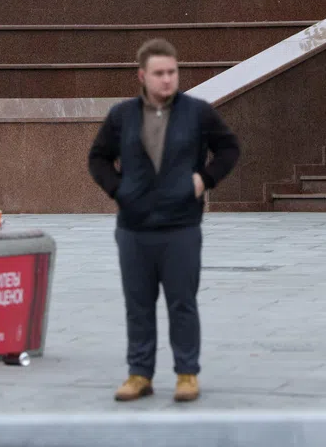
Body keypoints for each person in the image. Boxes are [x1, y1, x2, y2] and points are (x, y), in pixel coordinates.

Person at [88, 38, 241, 404]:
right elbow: (97, 158)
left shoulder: (197, 112)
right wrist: (119, 191)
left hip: (181, 228)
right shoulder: (122, 116)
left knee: (182, 302)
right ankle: (139, 373)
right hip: (134, 229)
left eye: (172, 72)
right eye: (159, 74)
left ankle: (187, 374)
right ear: (142, 76)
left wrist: (205, 179)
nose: (168, 80)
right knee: (137, 304)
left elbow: (229, 148)